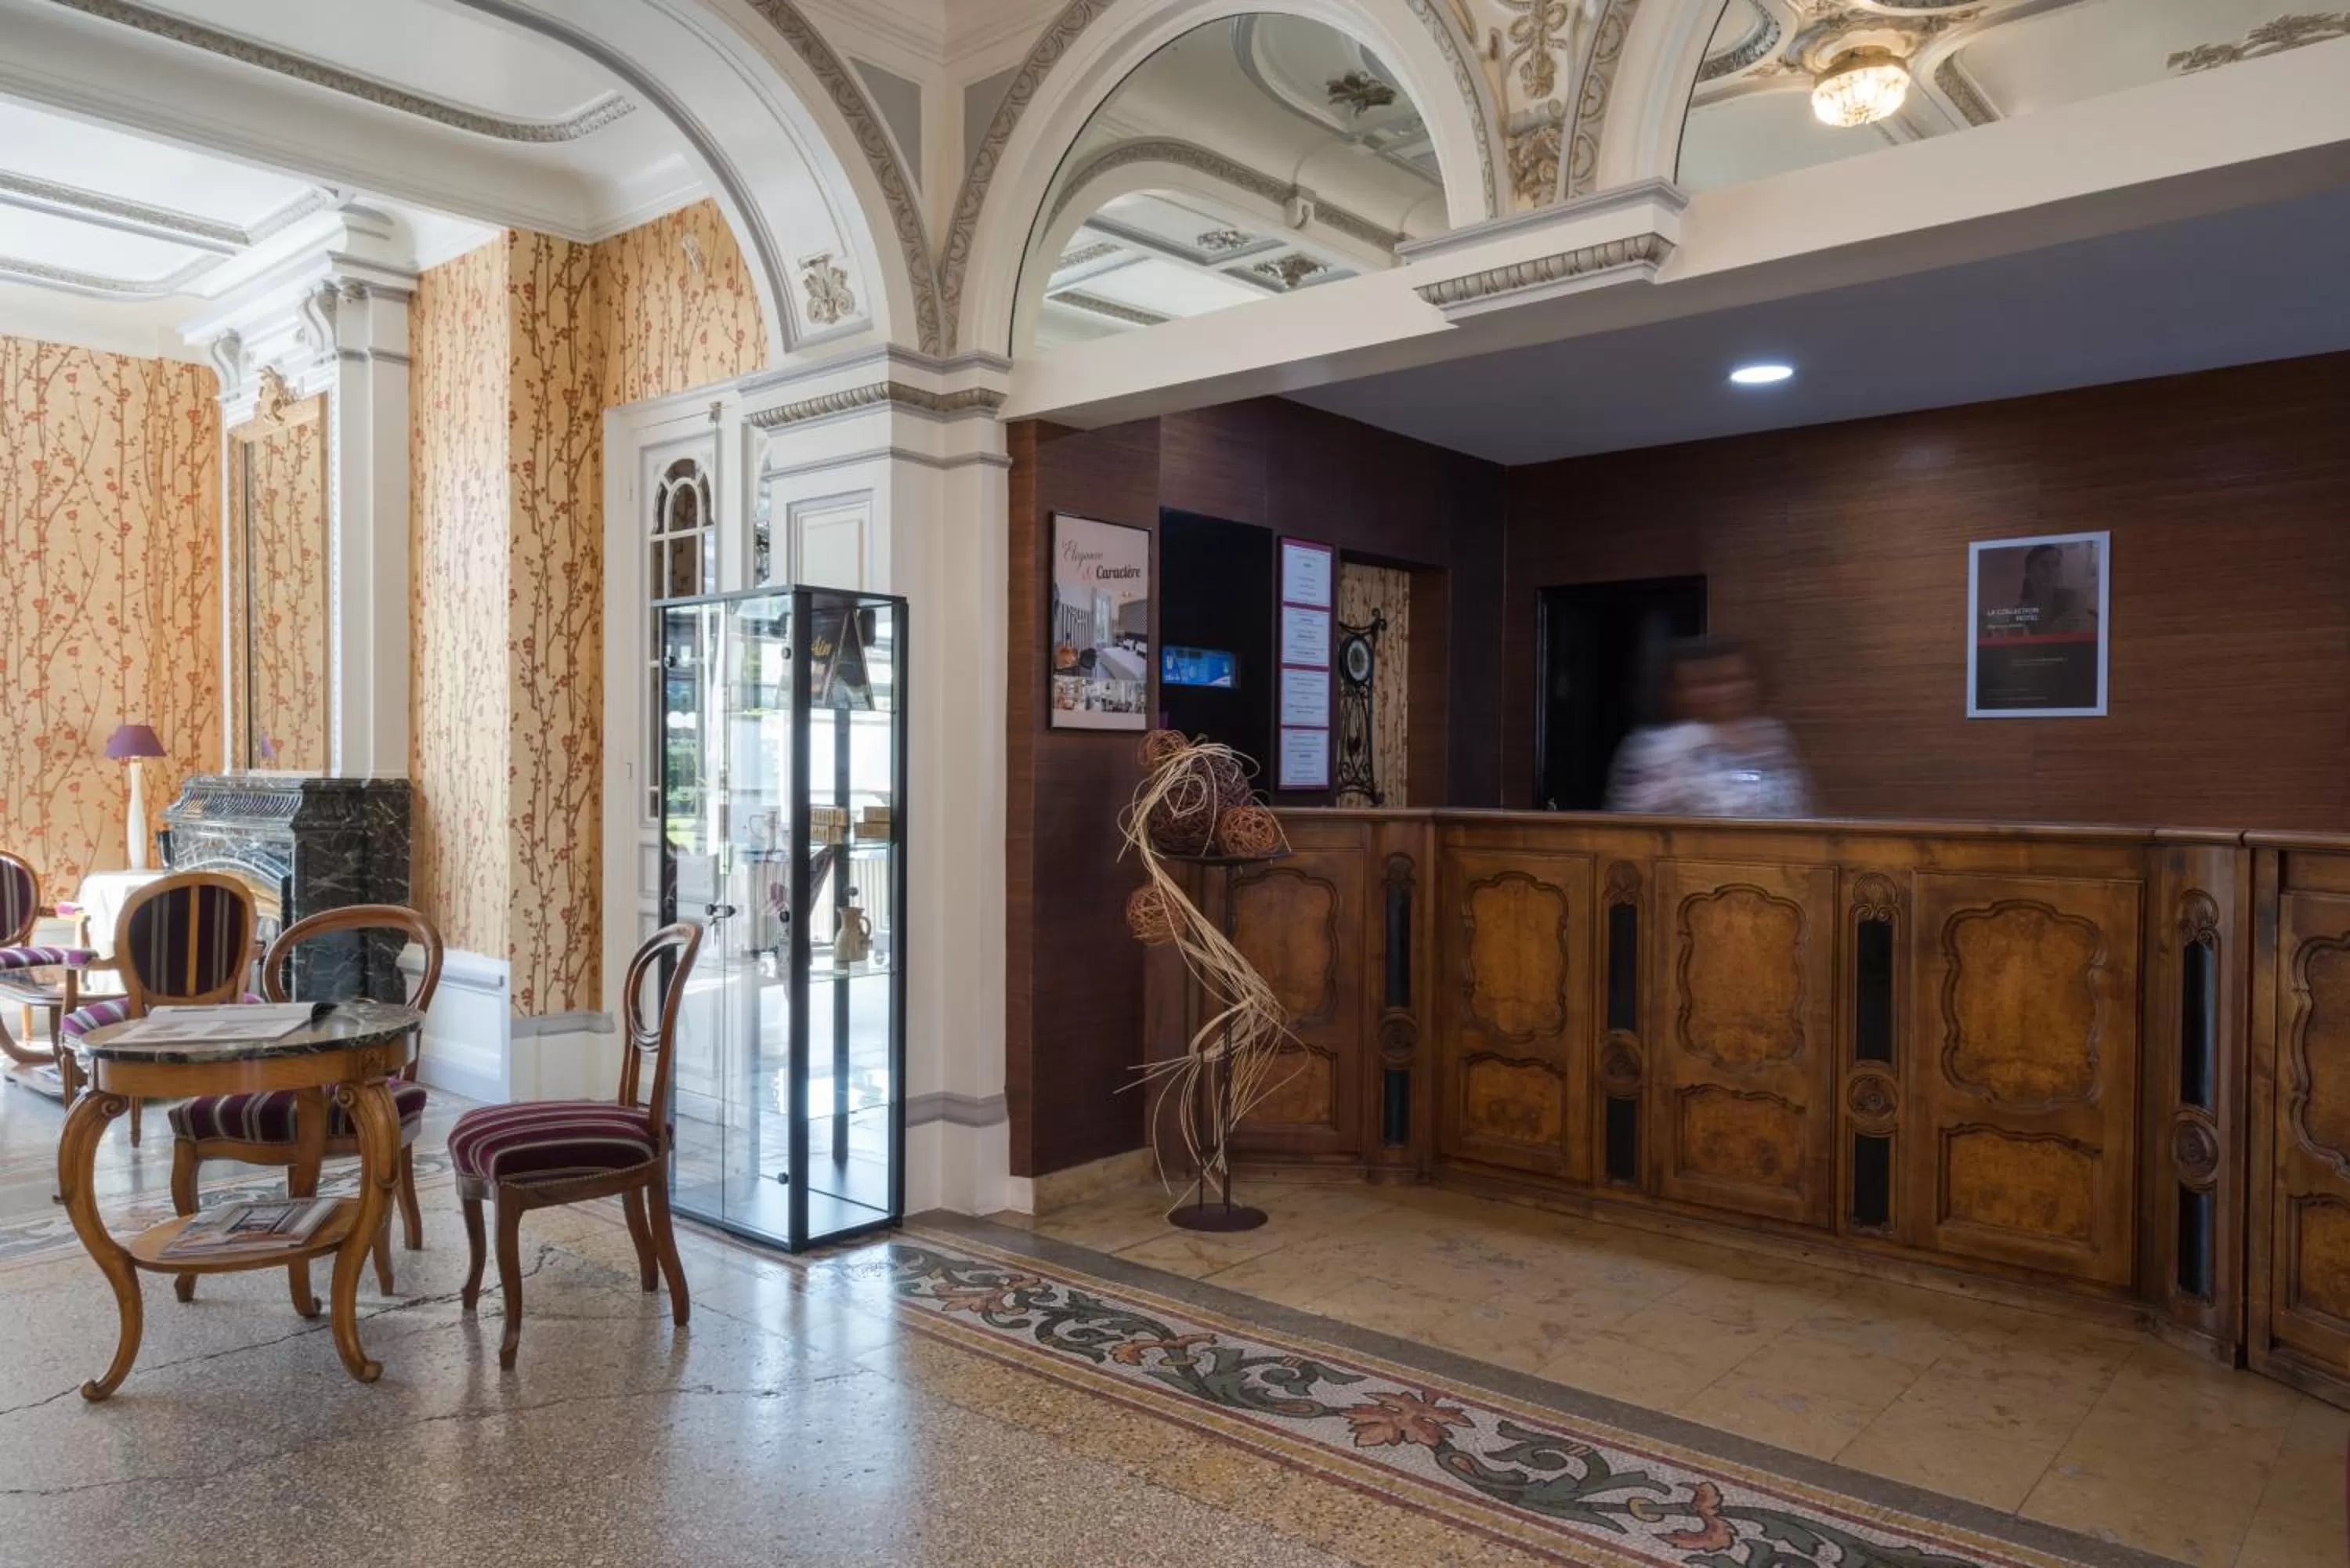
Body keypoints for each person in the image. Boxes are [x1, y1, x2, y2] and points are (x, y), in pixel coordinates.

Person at [1604, 637, 1811, 818]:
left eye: (1734, 679)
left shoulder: (1772, 737)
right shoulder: (1655, 749)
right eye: (1707, 683)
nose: (1724, 692)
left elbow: (1802, 810)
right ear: (1677, 692)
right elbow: (1633, 825)